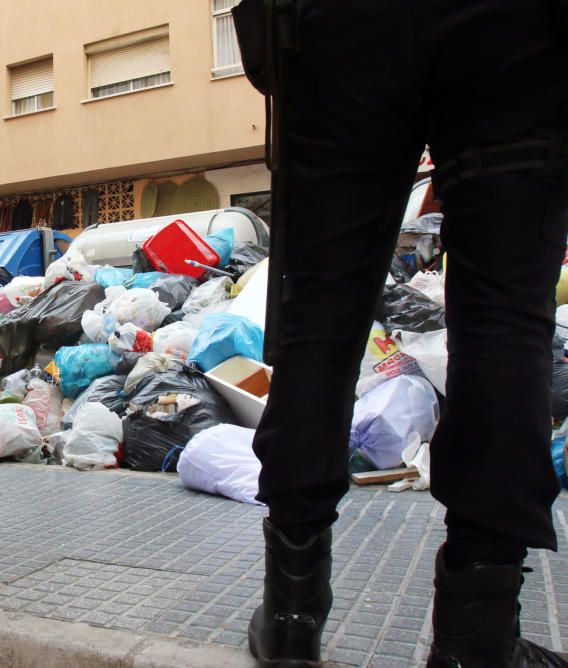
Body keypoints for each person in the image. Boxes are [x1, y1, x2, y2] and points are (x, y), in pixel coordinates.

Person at [232, 1, 568, 666]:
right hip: (513, 30)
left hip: (339, 27)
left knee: (320, 312)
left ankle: (291, 615)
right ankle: (477, 637)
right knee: (505, 318)